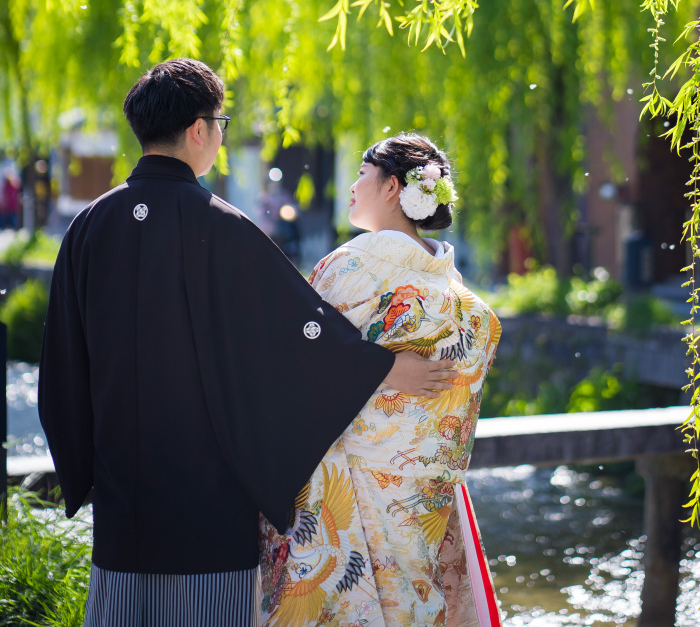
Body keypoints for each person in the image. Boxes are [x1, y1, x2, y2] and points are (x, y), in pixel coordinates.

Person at [38, 61, 453, 627]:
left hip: (121, 493)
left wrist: (84, 469)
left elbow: (61, 362)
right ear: (198, 131)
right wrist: (379, 366)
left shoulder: (89, 225)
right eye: (220, 122)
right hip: (207, 495)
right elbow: (294, 333)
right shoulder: (222, 228)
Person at [260, 133, 502, 627]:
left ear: (393, 187)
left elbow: (292, 363)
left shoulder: (351, 267)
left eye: (362, 175)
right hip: (425, 496)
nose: (352, 186)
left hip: (349, 490)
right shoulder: (468, 305)